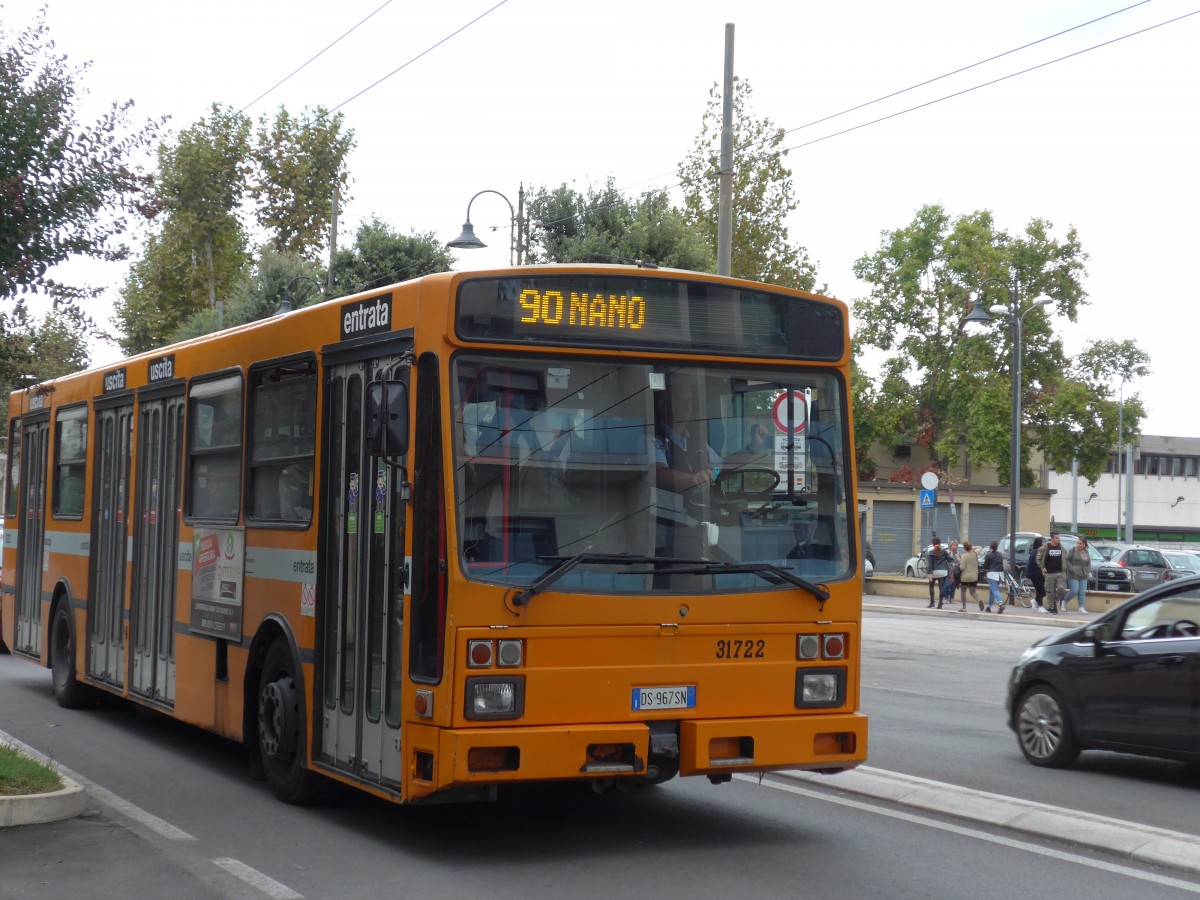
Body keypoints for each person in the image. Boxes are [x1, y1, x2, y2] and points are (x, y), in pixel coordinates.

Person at [1037, 531, 1067, 615]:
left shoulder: (1061, 547)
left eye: (1059, 538)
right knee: (1050, 591)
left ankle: (1054, 602)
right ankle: (1051, 607)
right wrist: (1042, 568)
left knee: (1062, 589)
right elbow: (1038, 559)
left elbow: (1065, 557)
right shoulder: (1045, 548)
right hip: (1049, 573)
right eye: (1057, 538)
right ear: (1052, 538)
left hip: (1060, 572)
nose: (1058, 539)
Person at [1062, 536, 1092, 613]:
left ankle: (1081, 607)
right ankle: (1065, 601)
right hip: (1073, 573)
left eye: (1080, 543)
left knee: (1082, 591)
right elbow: (1066, 559)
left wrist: (1088, 570)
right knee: (1074, 590)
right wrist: (1071, 568)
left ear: (1084, 545)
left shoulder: (1086, 552)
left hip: (1084, 573)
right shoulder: (1072, 550)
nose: (1078, 545)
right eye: (1077, 543)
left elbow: (1088, 562)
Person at [926, 537, 951, 609]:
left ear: (933, 544)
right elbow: (949, 560)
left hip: (934, 572)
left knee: (931, 587)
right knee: (941, 588)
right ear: (940, 543)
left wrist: (930, 574)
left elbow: (929, 565)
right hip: (943, 572)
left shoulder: (930, 552)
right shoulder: (944, 551)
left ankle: (932, 603)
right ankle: (940, 604)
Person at [982, 540, 1005, 613]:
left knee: (995, 590)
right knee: (992, 591)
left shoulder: (989, 555)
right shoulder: (1000, 554)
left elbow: (985, 566)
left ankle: (1001, 604)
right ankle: (989, 607)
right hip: (1000, 574)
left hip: (992, 575)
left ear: (990, 547)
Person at [1026, 536, 1047, 612]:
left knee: (1041, 591)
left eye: (1045, 542)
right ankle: (1040, 606)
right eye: (1043, 542)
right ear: (1039, 543)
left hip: (1042, 574)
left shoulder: (1043, 552)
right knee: (1041, 590)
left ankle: (1035, 601)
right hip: (1035, 574)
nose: (1045, 543)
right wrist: (1027, 575)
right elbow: (1030, 564)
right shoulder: (1035, 552)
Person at [957, 540, 980, 611]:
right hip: (974, 577)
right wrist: (973, 548)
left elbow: (962, 568)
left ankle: (964, 608)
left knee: (963, 592)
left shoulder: (964, 556)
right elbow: (980, 547)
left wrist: (959, 560)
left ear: (964, 548)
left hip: (965, 577)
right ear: (971, 546)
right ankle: (979, 600)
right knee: (973, 592)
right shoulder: (975, 553)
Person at [942, 539, 961, 604]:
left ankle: (951, 598)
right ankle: (946, 598)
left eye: (956, 545)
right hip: (948, 571)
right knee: (947, 585)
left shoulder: (958, 553)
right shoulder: (947, 552)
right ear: (950, 545)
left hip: (955, 572)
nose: (955, 546)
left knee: (953, 586)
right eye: (954, 545)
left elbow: (960, 561)